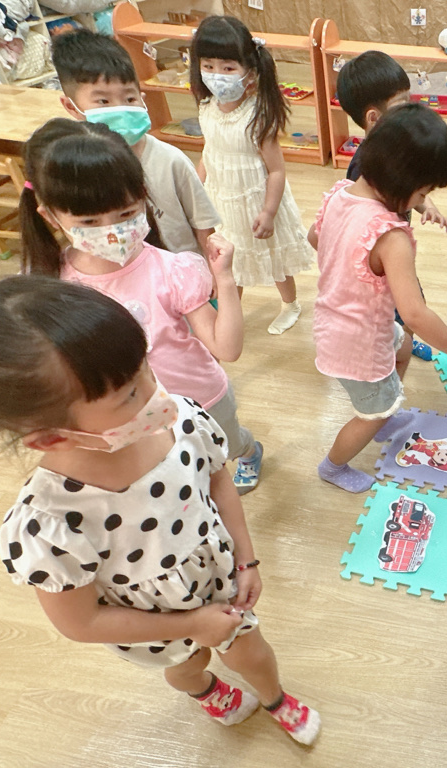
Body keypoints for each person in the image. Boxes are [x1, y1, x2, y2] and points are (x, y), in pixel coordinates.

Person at [0, 277, 319, 745]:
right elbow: (80, 621)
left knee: (252, 651)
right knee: (188, 666)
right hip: (152, 621)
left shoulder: (181, 421)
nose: (156, 392)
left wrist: (246, 558)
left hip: (218, 578)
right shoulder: (49, 524)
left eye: (145, 367)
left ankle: (275, 699)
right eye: (128, 394)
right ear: (51, 437)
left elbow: (217, 478)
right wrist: (192, 625)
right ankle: (206, 691)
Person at [20, 119, 264, 494]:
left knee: (223, 450)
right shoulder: (51, 285)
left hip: (201, 399)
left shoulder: (173, 269)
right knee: (175, 472)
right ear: (50, 216)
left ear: (143, 198)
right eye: (89, 221)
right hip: (129, 416)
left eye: (125, 213)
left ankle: (249, 450)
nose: (112, 231)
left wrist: (225, 279)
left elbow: (227, 349)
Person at [309, 104, 447, 493]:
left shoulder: (340, 193)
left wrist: (349, 267)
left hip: (339, 320)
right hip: (357, 343)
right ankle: (334, 465)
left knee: (403, 346)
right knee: (370, 412)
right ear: (401, 181)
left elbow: (314, 238)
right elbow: (415, 314)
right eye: (422, 192)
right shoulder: (390, 236)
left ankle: (386, 413)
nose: (422, 199)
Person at [190, 15, 314, 335]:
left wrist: (269, 212)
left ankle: (291, 304)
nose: (217, 75)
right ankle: (228, 314)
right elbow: (209, 151)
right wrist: (194, 190)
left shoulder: (257, 115)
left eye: (228, 68)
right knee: (228, 261)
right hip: (222, 199)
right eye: (208, 66)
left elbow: (276, 170)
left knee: (275, 259)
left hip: (256, 201)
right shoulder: (207, 106)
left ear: (250, 72)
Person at [51, 29, 221, 257]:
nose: (120, 108)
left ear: (142, 98)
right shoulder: (74, 169)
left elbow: (203, 225)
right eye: (103, 101)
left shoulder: (170, 160)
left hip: (181, 269)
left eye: (130, 98)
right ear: (70, 106)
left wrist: (211, 270)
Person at [335, 49, 447, 361]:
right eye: (401, 105)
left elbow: (409, 183)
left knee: (408, 311)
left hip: (394, 251)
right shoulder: (363, 170)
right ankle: (398, 350)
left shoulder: (394, 151)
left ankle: (404, 342)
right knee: (406, 311)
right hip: (378, 265)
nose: (410, 110)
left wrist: (426, 205)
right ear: (374, 118)